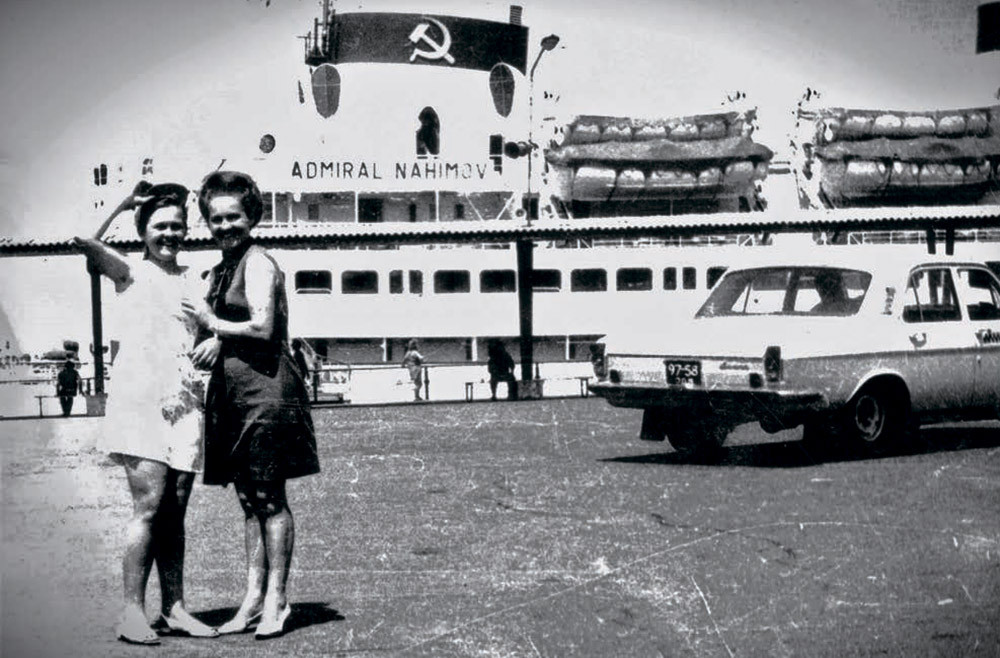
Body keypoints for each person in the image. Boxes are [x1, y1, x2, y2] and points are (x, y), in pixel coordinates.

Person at [73, 182, 219, 644]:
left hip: (185, 401)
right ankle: (131, 612)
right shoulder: (130, 271)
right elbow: (84, 240)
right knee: (150, 506)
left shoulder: (195, 278)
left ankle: (174, 608)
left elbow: (212, 326)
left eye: (177, 225)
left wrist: (217, 340)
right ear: (142, 231)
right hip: (140, 403)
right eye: (160, 226)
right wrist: (122, 202)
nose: (170, 233)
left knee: (176, 508)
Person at [183, 171, 320, 640]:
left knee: (269, 497)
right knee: (248, 501)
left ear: (252, 217)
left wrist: (212, 324)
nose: (225, 226)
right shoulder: (222, 268)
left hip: (265, 390)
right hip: (232, 393)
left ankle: (277, 600)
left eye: (234, 217)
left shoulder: (257, 262)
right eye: (216, 219)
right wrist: (217, 337)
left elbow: (263, 328)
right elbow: (228, 328)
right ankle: (252, 600)